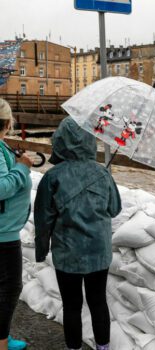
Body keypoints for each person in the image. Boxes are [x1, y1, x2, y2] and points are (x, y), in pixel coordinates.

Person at [34, 117, 121, 350]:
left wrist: (41, 251)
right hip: (98, 252)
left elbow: (43, 220)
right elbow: (115, 209)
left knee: (71, 305)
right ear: (90, 142)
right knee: (98, 301)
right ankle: (103, 347)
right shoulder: (103, 174)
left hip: (68, 253)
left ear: (60, 142)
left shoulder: (53, 176)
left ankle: (73, 348)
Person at [0, 98, 33, 350]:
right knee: (10, 288)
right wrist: (21, 168)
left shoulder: (2, 148)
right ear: (8, 123)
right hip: (3, 234)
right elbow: (1, 188)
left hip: (4, 229)